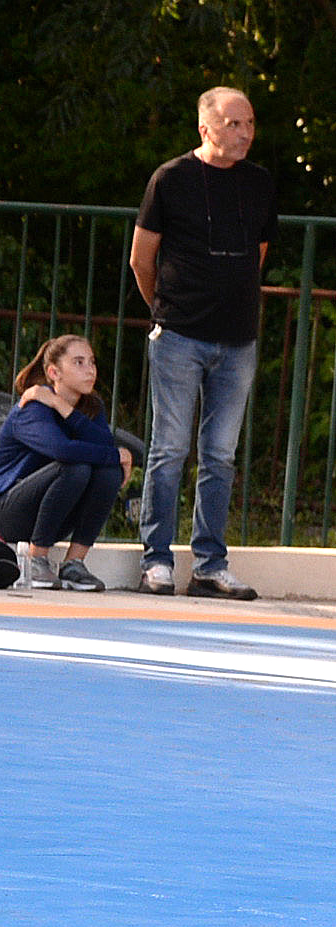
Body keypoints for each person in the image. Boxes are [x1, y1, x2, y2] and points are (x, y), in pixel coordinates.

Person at [132, 86, 277, 599]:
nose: (244, 133)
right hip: (179, 333)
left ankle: (210, 565)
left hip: (238, 339)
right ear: (205, 128)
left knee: (220, 455)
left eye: (250, 123)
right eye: (234, 124)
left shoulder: (259, 183)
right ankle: (156, 561)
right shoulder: (171, 178)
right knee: (169, 448)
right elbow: (141, 259)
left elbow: (257, 253)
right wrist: (166, 310)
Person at [0, 334, 135, 592]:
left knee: (109, 472)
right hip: (6, 513)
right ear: (54, 372)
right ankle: (35, 561)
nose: (90, 370)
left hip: (53, 512)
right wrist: (116, 455)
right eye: (79, 362)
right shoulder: (32, 408)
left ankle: (73, 565)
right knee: (75, 467)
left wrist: (62, 406)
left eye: (92, 362)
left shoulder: (92, 406)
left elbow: (104, 445)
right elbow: (61, 449)